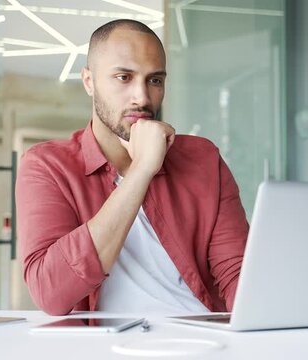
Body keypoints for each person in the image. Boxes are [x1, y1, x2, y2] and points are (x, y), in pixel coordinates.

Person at [16, 19, 249, 316]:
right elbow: (50, 293)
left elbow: (236, 275)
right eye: (124, 77)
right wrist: (141, 170)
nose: (141, 97)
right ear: (89, 81)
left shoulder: (202, 158)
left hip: (202, 340)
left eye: (154, 80)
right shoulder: (47, 166)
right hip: (105, 347)